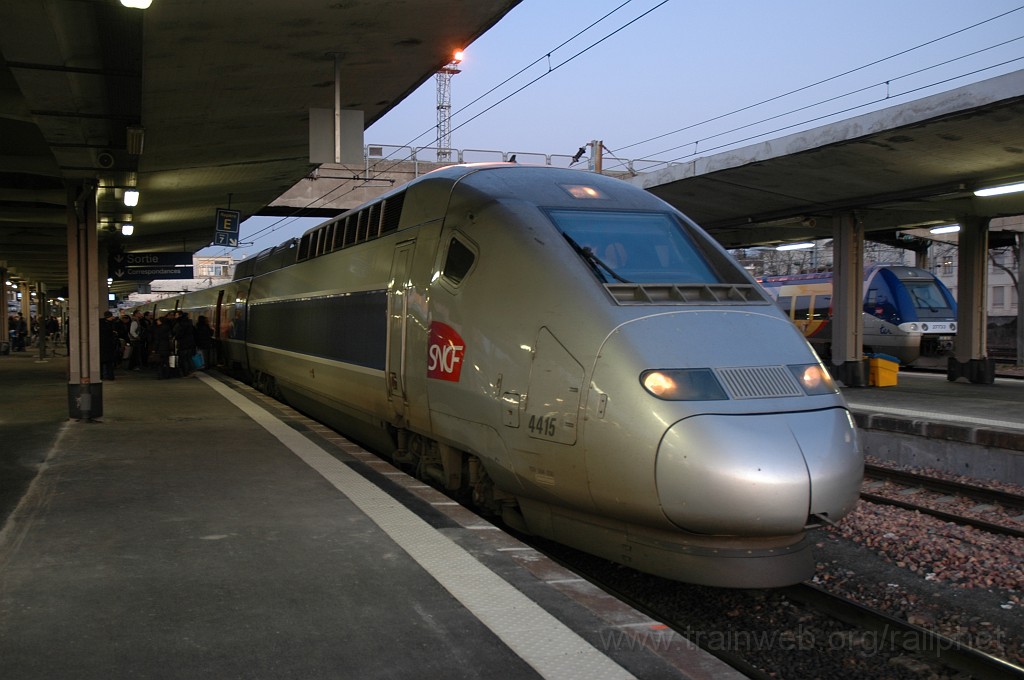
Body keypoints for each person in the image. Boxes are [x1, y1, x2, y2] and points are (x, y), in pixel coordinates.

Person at [99, 311, 119, 380]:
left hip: (101, 345)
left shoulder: (100, 322)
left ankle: (100, 376)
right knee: (109, 363)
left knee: (101, 362)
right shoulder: (111, 324)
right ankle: (110, 376)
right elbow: (112, 333)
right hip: (109, 346)